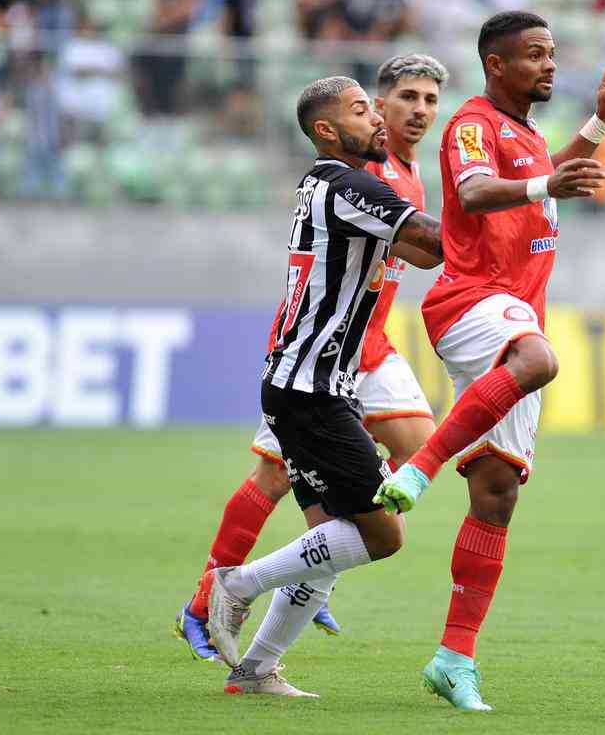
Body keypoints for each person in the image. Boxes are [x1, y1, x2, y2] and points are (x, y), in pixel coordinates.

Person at [373, 11, 605, 711]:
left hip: (513, 307)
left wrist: (601, 125)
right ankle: (420, 467)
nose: (549, 64)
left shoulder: (524, 133)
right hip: (470, 299)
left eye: (552, 53)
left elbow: (544, 177)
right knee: (539, 358)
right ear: (497, 64)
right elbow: (474, 194)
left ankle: (453, 659)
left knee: (497, 494)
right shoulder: (471, 122)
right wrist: (546, 187)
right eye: (535, 55)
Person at [174, 55, 449, 670]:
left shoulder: (387, 174)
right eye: (400, 98)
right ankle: (216, 592)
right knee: (364, 511)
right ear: (374, 106)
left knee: (354, 511)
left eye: (430, 99)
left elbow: (425, 256)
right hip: (318, 371)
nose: (414, 111)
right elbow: (436, 241)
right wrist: (520, 193)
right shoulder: (359, 181)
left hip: (338, 365)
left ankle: (265, 654)